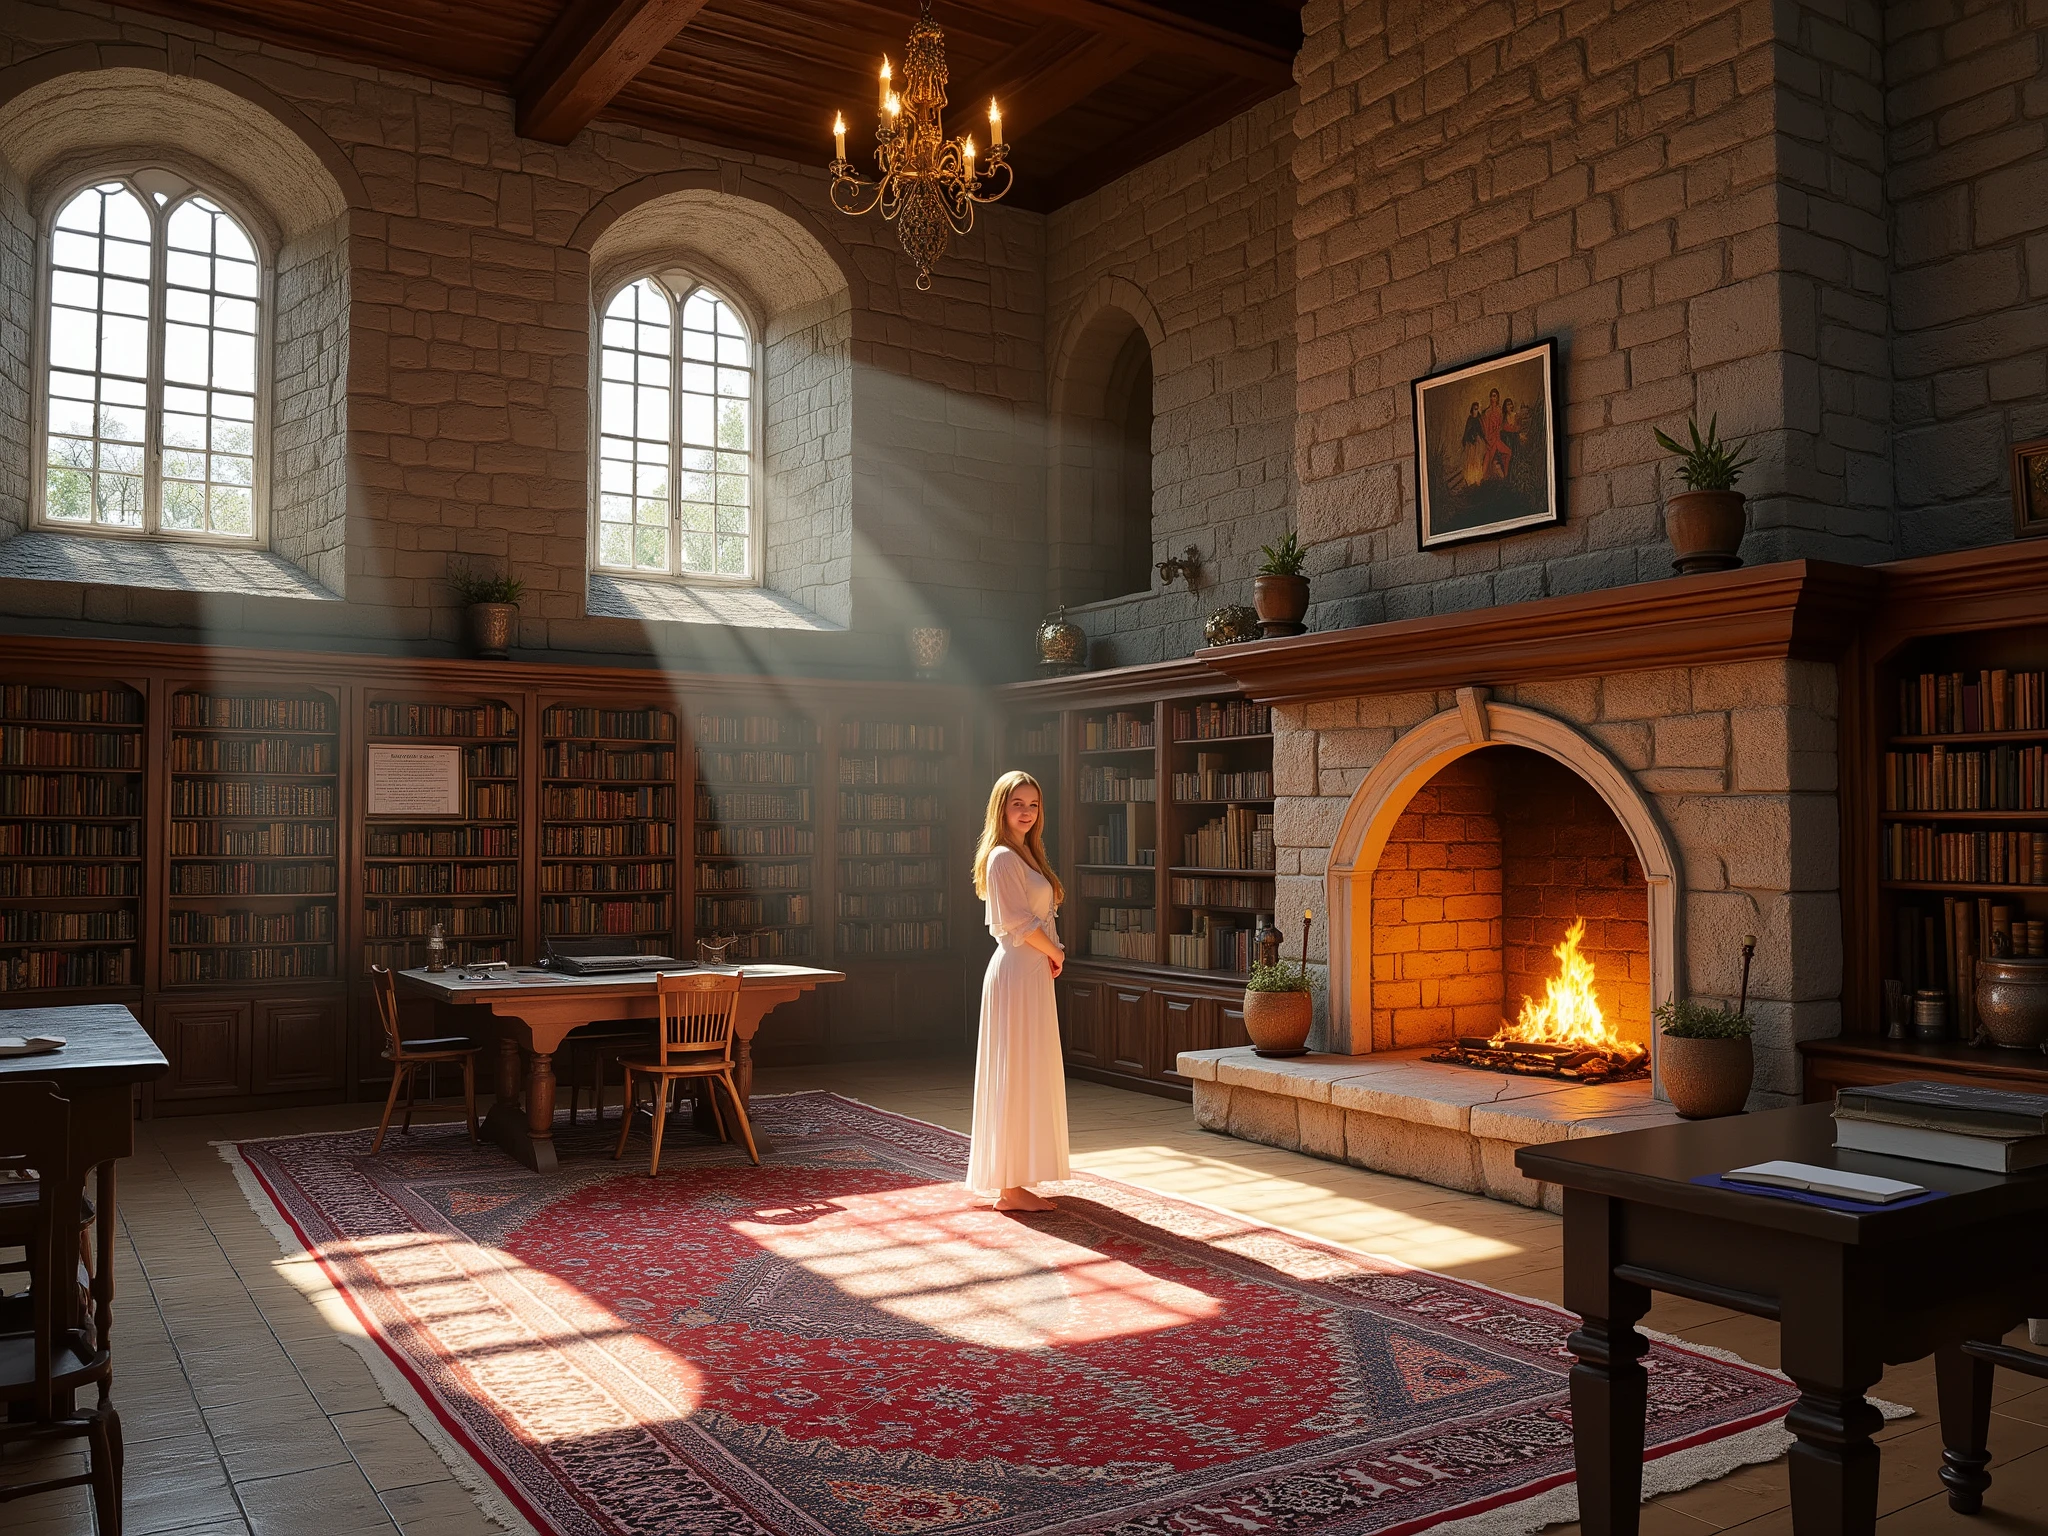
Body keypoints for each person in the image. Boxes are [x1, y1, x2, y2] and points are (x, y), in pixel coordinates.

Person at [965, 770, 1069, 1211]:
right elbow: (1018, 923)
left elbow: (1039, 920)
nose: (1026, 812)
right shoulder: (1003, 858)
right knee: (1016, 1073)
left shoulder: (1028, 854)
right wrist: (1058, 954)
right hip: (1016, 972)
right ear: (1000, 808)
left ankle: (1016, 1179)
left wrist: (1052, 950)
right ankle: (1009, 1188)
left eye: (1033, 804)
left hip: (1032, 971)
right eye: (1017, 804)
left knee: (1029, 1071)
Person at [1458, 400, 1486, 487]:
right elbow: (1467, 431)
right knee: (1470, 461)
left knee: (1477, 461)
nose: (1476, 411)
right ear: (1472, 410)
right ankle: (1470, 480)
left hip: (1477, 443)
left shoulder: (1478, 420)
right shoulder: (1470, 419)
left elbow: (1481, 431)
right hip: (1470, 443)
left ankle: (1477, 479)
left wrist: (1481, 438)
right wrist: (1468, 439)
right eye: (1474, 409)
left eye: (1477, 409)